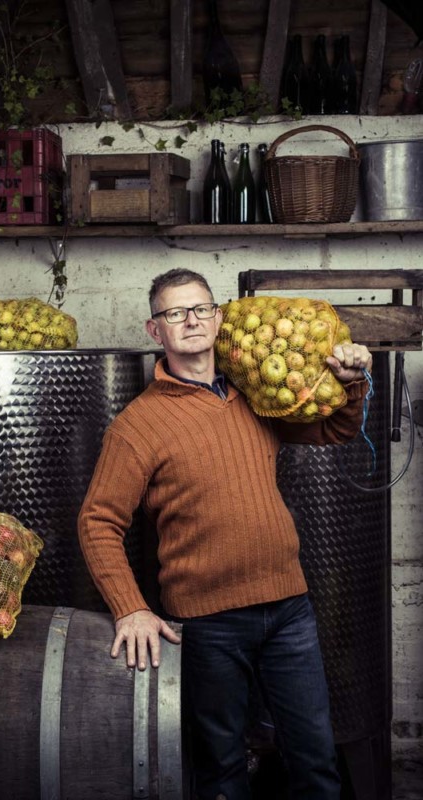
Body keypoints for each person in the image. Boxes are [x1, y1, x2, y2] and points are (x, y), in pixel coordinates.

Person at [78, 268, 373, 800]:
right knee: (221, 770)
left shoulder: (255, 396)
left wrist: (351, 385)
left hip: (289, 609)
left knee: (315, 761)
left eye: (200, 309)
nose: (190, 321)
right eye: (175, 313)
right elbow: (98, 522)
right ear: (155, 331)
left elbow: (336, 429)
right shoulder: (136, 425)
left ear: (218, 318)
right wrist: (131, 608)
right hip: (206, 624)